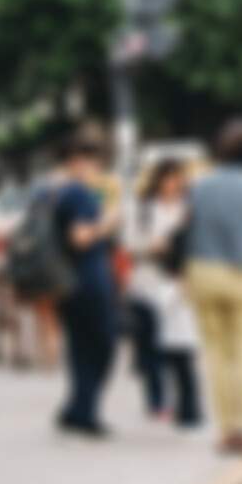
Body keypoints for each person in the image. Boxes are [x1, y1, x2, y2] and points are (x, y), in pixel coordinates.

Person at [183, 119, 242, 457]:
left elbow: (187, 234)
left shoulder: (198, 186)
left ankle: (226, 432)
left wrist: (185, 279)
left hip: (203, 272)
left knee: (216, 356)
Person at [51, 131, 121, 437]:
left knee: (79, 347)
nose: (97, 169)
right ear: (79, 161)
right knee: (103, 345)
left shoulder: (53, 191)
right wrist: (108, 221)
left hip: (64, 280)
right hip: (89, 279)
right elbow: (80, 237)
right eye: (94, 162)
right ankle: (85, 412)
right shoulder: (79, 194)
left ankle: (76, 410)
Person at [127, 156, 202, 428]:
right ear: (158, 180)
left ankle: (186, 403)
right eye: (167, 177)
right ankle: (156, 400)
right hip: (146, 283)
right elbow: (129, 243)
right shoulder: (144, 209)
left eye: (178, 177)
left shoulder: (189, 208)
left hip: (178, 285)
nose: (173, 183)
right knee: (150, 347)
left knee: (180, 345)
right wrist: (151, 245)